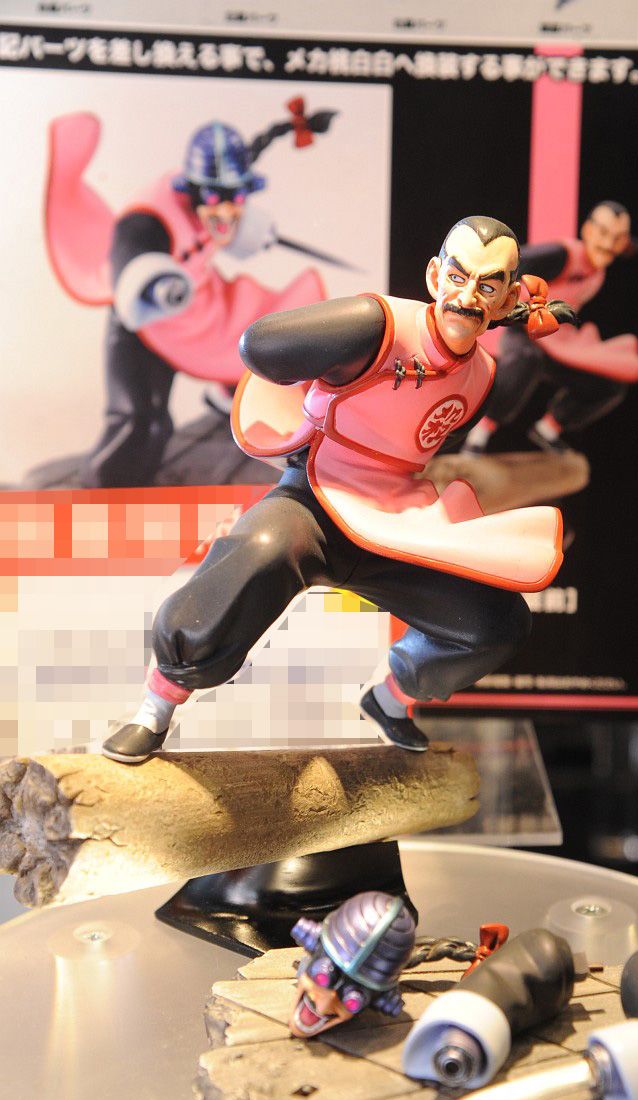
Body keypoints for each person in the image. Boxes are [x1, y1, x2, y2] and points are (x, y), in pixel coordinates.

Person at [102, 215, 576, 763]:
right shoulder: (381, 326)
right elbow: (262, 346)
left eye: (488, 287)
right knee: (258, 551)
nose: (467, 298)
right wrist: (349, 333)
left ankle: (392, 698)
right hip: (316, 497)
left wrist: (510, 320)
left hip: (396, 516)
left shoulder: (483, 375)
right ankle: (156, 706)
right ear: (433, 276)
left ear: (509, 297)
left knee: (494, 622)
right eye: (457, 276)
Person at [44, 100, 339, 486]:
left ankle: (234, 394)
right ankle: (101, 495)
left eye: (237, 198)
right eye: (215, 199)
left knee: (260, 332)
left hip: (202, 312)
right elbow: (128, 257)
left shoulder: (223, 196)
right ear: (194, 190)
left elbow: (256, 147)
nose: (227, 211)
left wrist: (294, 126)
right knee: (141, 421)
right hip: (147, 324)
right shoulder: (147, 219)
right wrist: (155, 283)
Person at [462, 201, 638, 454]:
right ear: (588, 230)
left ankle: (548, 429)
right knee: (527, 358)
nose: (607, 243)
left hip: (558, 341)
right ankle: (479, 435)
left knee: (609, 384)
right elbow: (514, 262)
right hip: (524, 329)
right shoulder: (563, 255)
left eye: (616, 238)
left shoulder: (598, 272)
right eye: (603, 233)